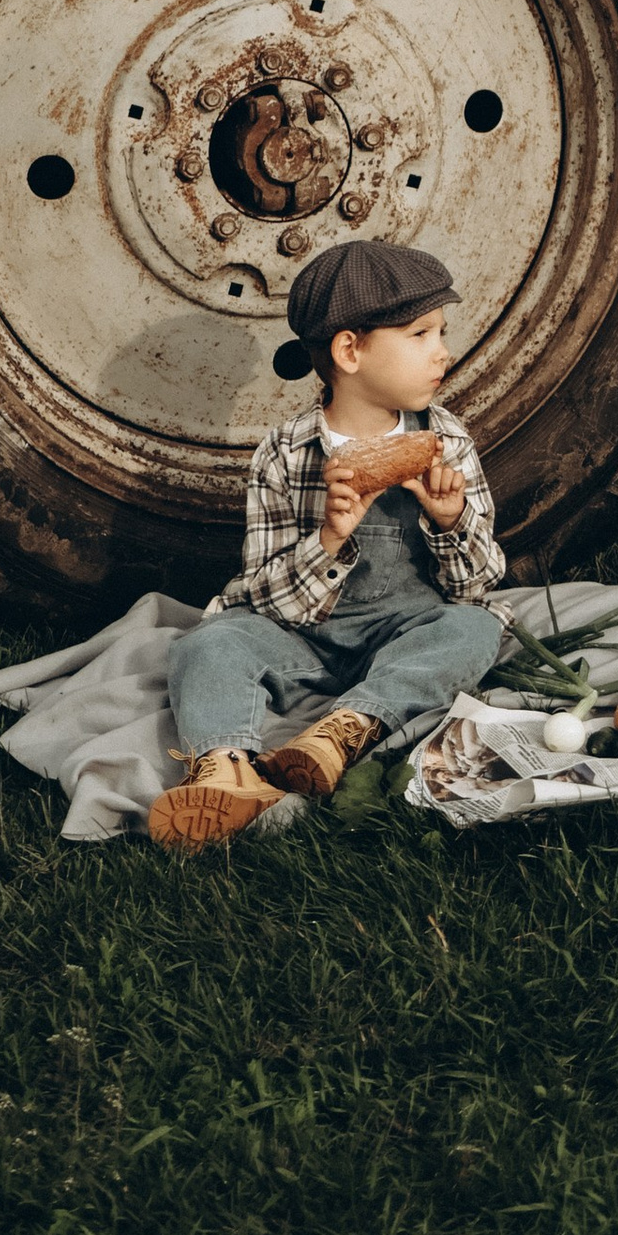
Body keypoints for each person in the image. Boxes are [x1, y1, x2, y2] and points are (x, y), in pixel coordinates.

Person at [149, 240, 509, 853]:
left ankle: (342, 732)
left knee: (474, 630)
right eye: (420, 334)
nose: (443, 351)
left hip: (408, 629)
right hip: (303, 642)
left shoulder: (445, 439)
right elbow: (262, 596)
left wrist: (449, 521)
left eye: (440, 332)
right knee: (207, 644)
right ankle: (226, 770)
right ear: (350, 350)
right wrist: (329, 538)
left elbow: (474, 587)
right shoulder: (286, 454)